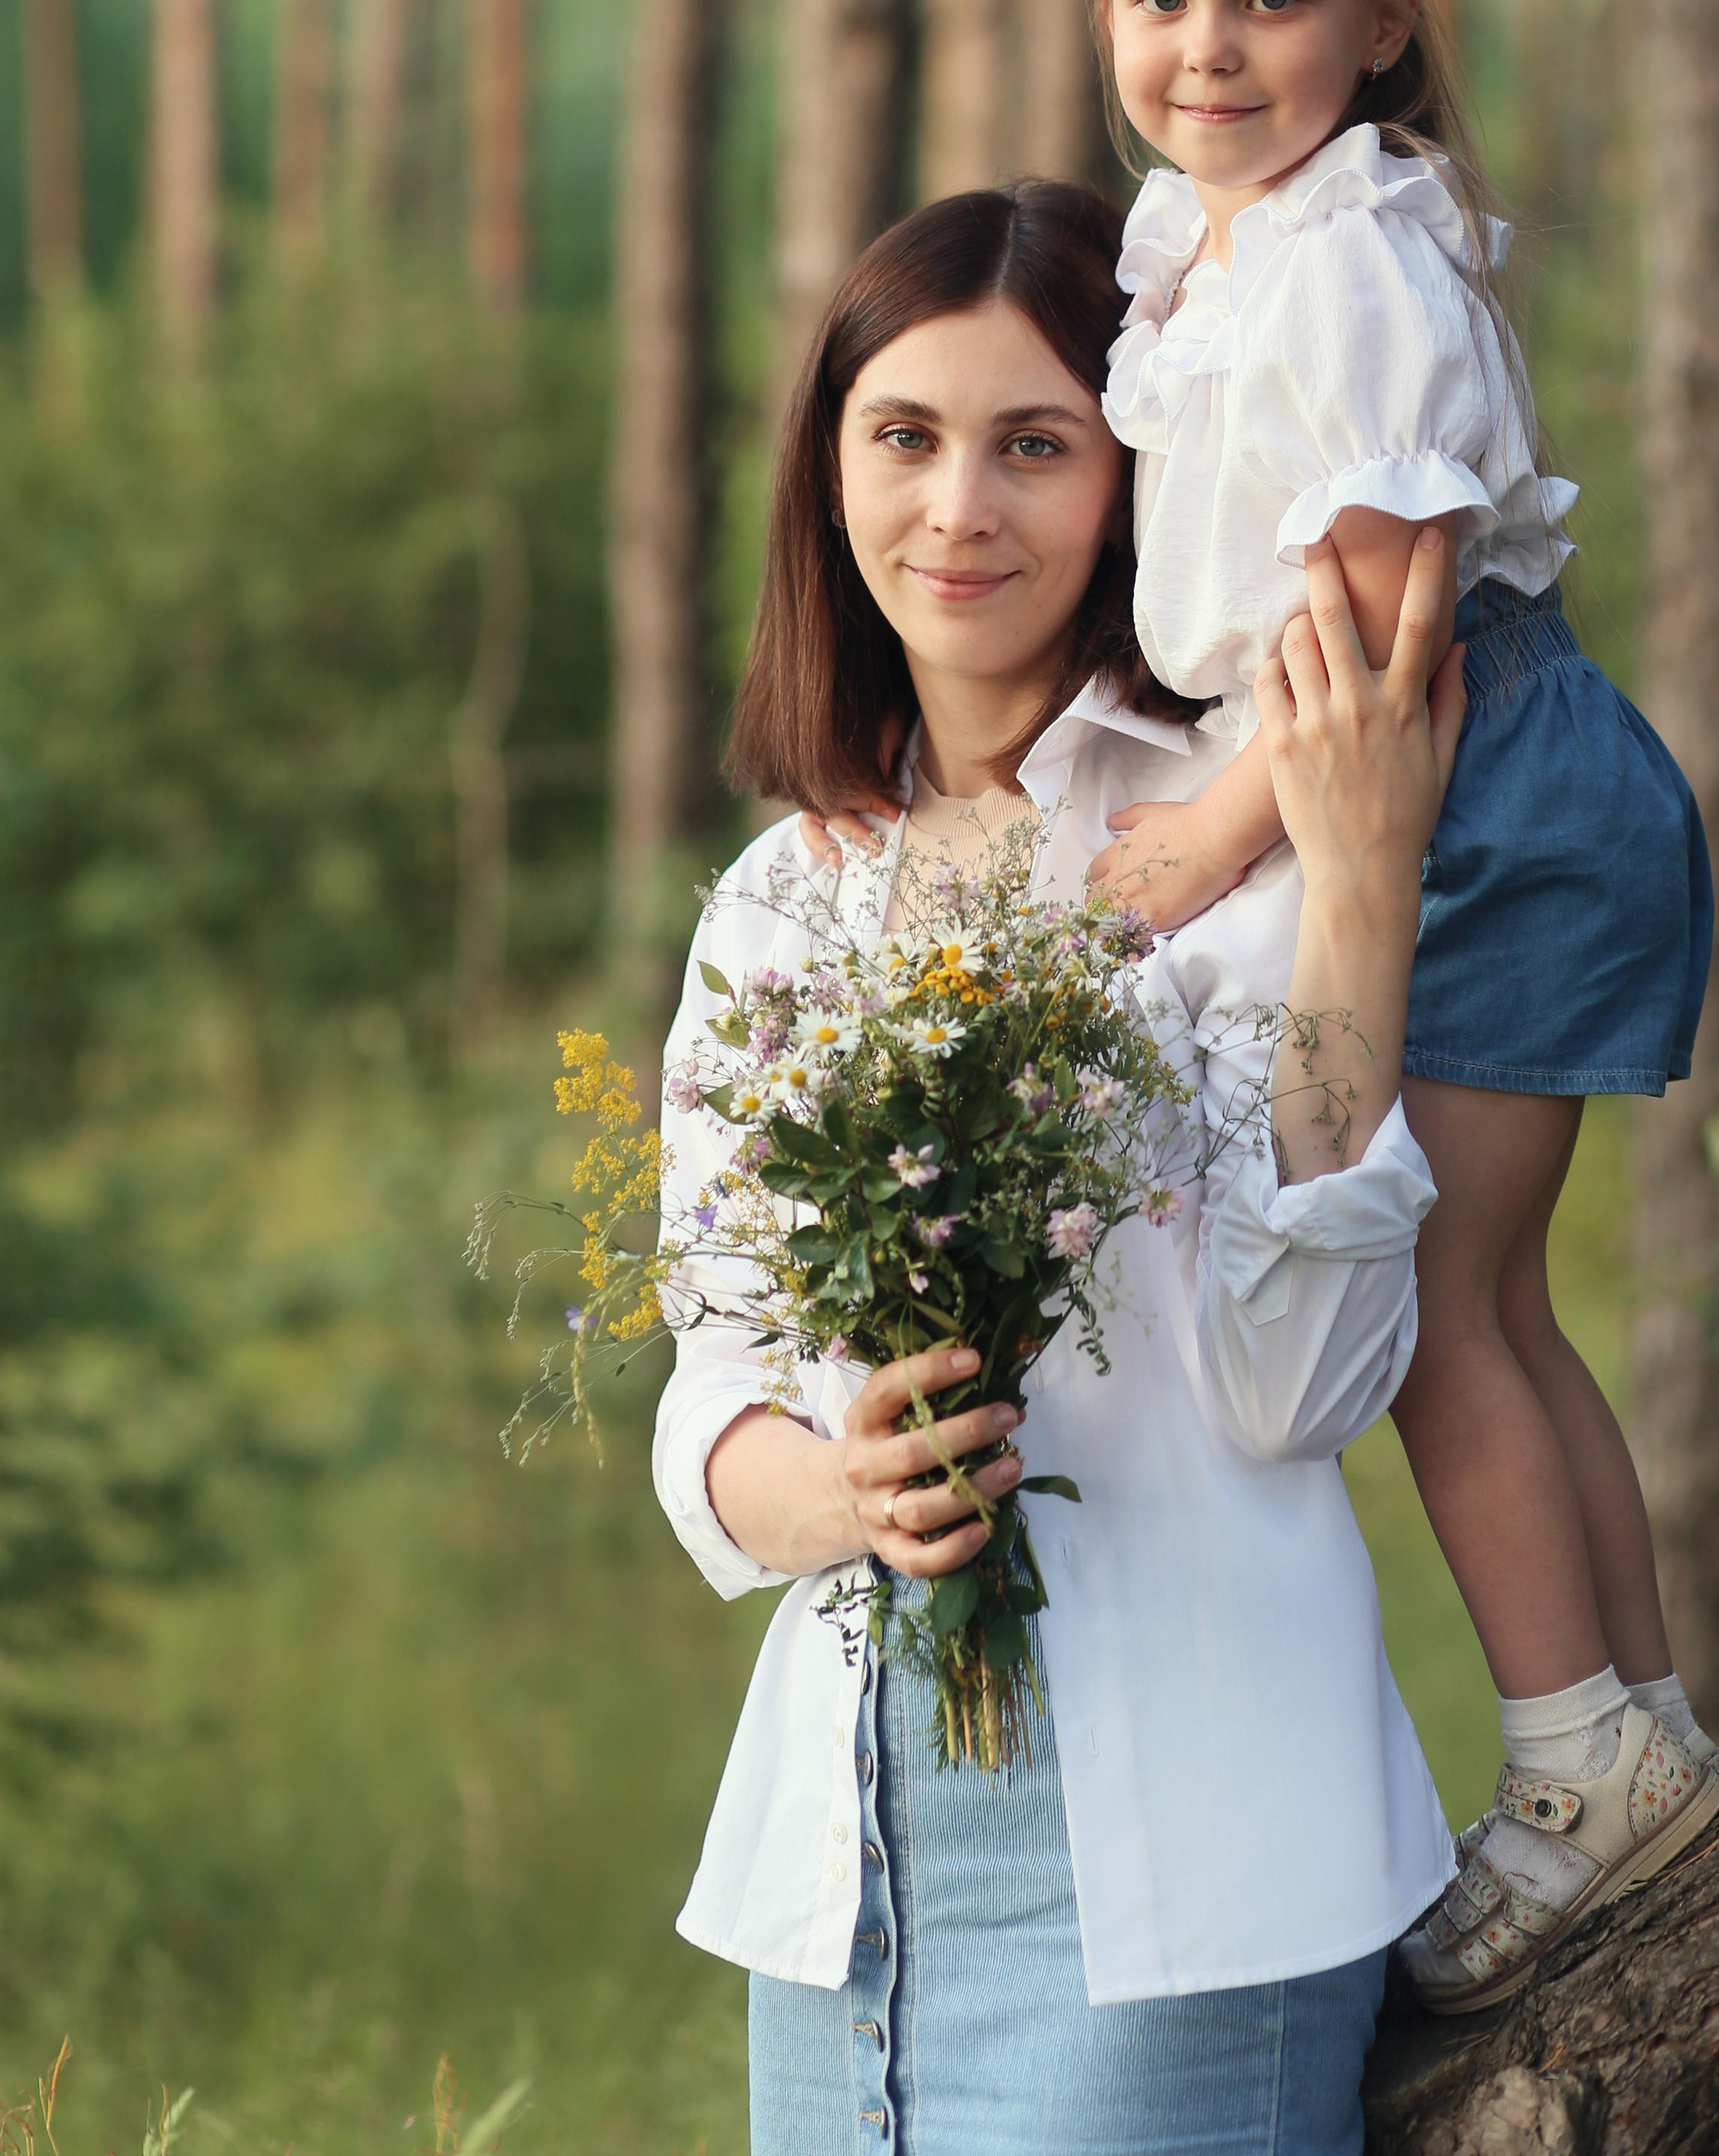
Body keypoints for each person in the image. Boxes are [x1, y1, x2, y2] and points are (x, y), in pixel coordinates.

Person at [655, 183, 1486, 2156]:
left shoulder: (1236, 825)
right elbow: (711, 1389)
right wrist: (845, 1484)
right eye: (905, 438)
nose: (958, 512)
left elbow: (1297, 1395)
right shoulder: (780, 902)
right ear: (828, 471)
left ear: (1136, 480)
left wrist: (1356, 887)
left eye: (1035, 445)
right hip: (841, 1889)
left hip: (1190, 1877)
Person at [1078, 0, 1719, 2012]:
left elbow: (1382, 604)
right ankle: (1635, 1732)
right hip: (1465, 787)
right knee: (1508, 1308)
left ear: (1373, 14)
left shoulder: (1354, 250)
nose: (1207, 51)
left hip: (1468, 789)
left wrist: (1211, 835)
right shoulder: (1225, 241)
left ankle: (1572, 1767)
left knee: (1450, 1316)